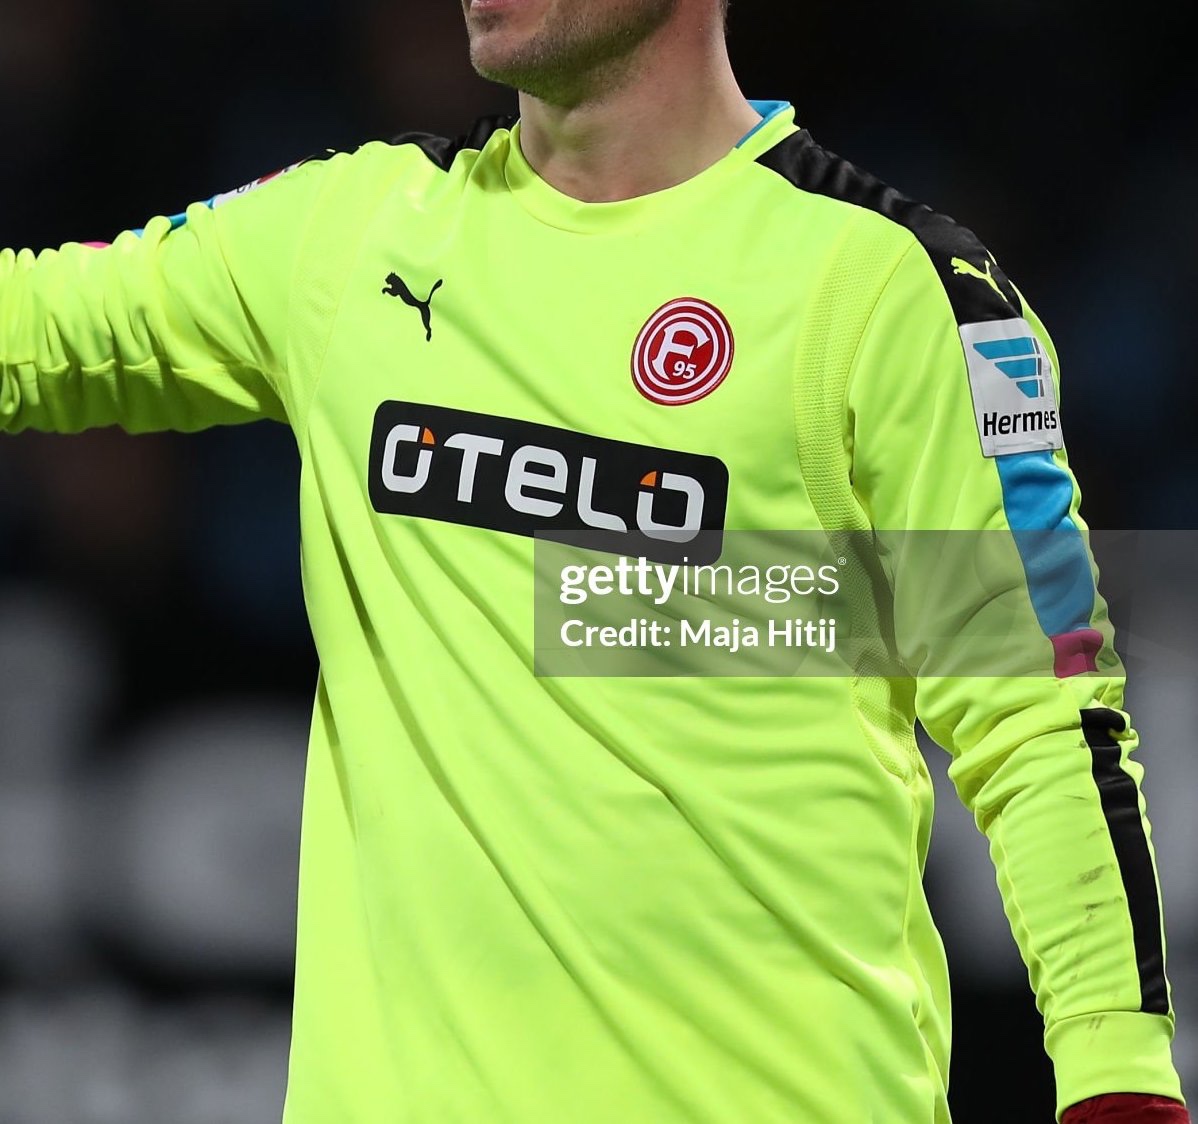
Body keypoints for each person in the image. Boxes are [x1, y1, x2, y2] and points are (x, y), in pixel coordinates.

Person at [0, 0, 1188, 1120]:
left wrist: (1117, 1077)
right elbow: (37, 332)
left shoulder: (889, 292)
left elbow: (1038, 721)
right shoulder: (349, 236)